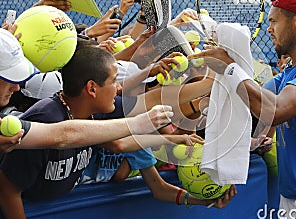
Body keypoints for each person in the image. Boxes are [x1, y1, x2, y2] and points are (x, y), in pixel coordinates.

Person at [0, 41, 235, 219]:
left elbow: (155, 99)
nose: (119, 88)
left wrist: (221, 77)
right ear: (92, 88)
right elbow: (8, 190)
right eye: (114, 81)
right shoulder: (46, 117)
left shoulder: (97, 110)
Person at [189, 0, 296, 219]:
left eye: (274, 21)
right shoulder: (292, 71)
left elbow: (275, 111)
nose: (269, 29)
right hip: (293, 197)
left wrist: (230, 67)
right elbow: (252, 100)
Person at [0, 27, 201, 154]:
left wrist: (210, 83)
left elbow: (150, 100)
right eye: (9, 78)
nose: (16, 86)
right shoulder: (48, 110)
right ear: (91, 88)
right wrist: (141, 123)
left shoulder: (96, 104)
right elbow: (62, 135)